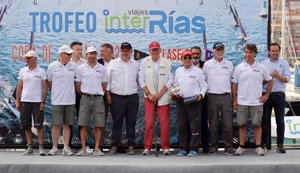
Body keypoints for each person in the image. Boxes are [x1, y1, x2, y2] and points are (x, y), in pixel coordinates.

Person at [232, 44, 274, 156]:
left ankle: (258, 147)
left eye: (251, 52)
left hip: (257, 102)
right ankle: (241, 147)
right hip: (242, 101)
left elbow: (270, 80)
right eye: (246, 52)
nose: (248, 54)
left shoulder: (261, 67)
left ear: (255, 53)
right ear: (244, 53)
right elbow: (234, 84)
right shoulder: (238, 68)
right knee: (241, 125)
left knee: (257, 125)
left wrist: (267, 95)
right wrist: (234, 99)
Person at [139, 41, 173, 155]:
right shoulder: (144, 62)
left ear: (160, 50)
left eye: (156, 49)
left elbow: (170, 80)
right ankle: (147, 147)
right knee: (149, 123)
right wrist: (149, 94)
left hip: (163, 97)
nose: (155, 51)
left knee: (164, 123)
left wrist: (159, 95)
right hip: (149, 98)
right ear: (149, 50)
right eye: (153, 49)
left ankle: (165, 147)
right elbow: (141, 80)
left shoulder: (167, 62)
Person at [106, 42, 139, 155]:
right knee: (117, 123)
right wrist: (108, 95)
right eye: (123, 50)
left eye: (127, 50)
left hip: (132, 98)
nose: (124, 52)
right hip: (117, 97)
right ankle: (114, 146)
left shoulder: (136, 64)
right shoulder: (113, 63)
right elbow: (108, 80)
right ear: (120, 51)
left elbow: (141, 81)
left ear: (131, 51)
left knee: (131, 123)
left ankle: (131, 146)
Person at [173, 50, 207, 157]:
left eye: (189, 57)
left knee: (195, 126)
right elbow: (175, 85)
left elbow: (204, 86)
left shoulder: (198, 71)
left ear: (192, 59)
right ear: (181, 59)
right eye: (185, 58)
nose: (187, 60)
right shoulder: (178, 70)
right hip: (181, 102)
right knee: (182, 126)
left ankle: (194, 148)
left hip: (194, 102)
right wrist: (174, 93)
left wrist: (201, 94)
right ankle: (183, 148)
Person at [202, 42, 234, 155]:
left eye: (222, 49)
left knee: (228, 124)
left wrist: (234, 98)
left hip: (226, 96)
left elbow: (233, 82)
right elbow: (203, 81)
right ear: (213, 51)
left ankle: (229, 146)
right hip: (211, 97)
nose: (220, 51)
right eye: (218, 49)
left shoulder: (229, 64)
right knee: (213, 124)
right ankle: (213, 146)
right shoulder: (207, 64)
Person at [75, 47, 107, 156]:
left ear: (96, 55)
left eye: (94, 53)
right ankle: (84, 148)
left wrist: (96, 92)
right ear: (86, 55)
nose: (92, 55)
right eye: (90, 53)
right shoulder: (80, 68)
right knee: (83, 124)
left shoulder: (102, 68)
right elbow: (77, 85)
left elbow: (104, 85)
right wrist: (85, 94)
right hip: (85, 98)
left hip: (98, 98)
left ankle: (97, 149)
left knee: (98, 125)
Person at [15, 50, 47, 156]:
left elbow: (45, 88)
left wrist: (43, 101)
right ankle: (29, 148)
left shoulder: (41, 71)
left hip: (37, 102)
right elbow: (19, 86)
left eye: (29, 58)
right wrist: (17, 101)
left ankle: (41, 148)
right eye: (26, 58)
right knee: (26, 125)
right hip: (25, 102)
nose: (27, 59)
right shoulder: (23, 71)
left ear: (35, 58)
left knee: (39, 126)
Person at [47, 45, 77, 156]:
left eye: (70, 54)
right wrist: (56, 92)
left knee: (67, 125)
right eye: (68, 54)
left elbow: (76, 81)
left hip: (70, 101)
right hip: (57, 101)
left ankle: (65, 147)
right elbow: (49, 82)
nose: (70, 56)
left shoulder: (74, 66)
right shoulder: (52, 66)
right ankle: (54, 147)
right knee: (56, 125)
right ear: (61, 54)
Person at [261, 43, 290, 153]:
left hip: (279, 95)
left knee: (280, 121)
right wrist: (271, 77)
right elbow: (261, 81)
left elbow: (286, 79)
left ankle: (280, 144)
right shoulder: (263, 64)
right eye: (273, 51)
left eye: (277, 50)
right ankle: (264, 144)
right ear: (269, 52)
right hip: (266, 95)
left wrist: (278, 76)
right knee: (265, 120)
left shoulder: (284, 63)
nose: (275, 53)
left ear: (279, 51)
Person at [69, 41, 93, 153]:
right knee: (68, 121)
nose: (80, 51)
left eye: (81, 49)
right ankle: (67, 146)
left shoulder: (85, 63)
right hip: (67, 95)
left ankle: (85, 146)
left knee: (82, 120)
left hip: (80, 95)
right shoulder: (66, 63)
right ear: (71, 51)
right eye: (77, 49)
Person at [190, 46, 209, 154]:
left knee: (204, 122)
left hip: (203, 99)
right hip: (190, 100)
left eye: (197, 53)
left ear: (200, 54)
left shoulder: (205, 66)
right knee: (192, 123)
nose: (195, 55)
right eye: (193, 53)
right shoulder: (186, 65)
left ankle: (205, 145)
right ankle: (193, 146)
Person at [97, 43, 114, 148]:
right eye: (101, 51)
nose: (101, 53)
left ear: (110, 52)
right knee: (100, 120)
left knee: (117, 120)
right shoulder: (97, 63)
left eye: (103, 51)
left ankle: (116, 144)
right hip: (101, 95)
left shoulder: (117, 62)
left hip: (116, 94)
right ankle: (99, 145)